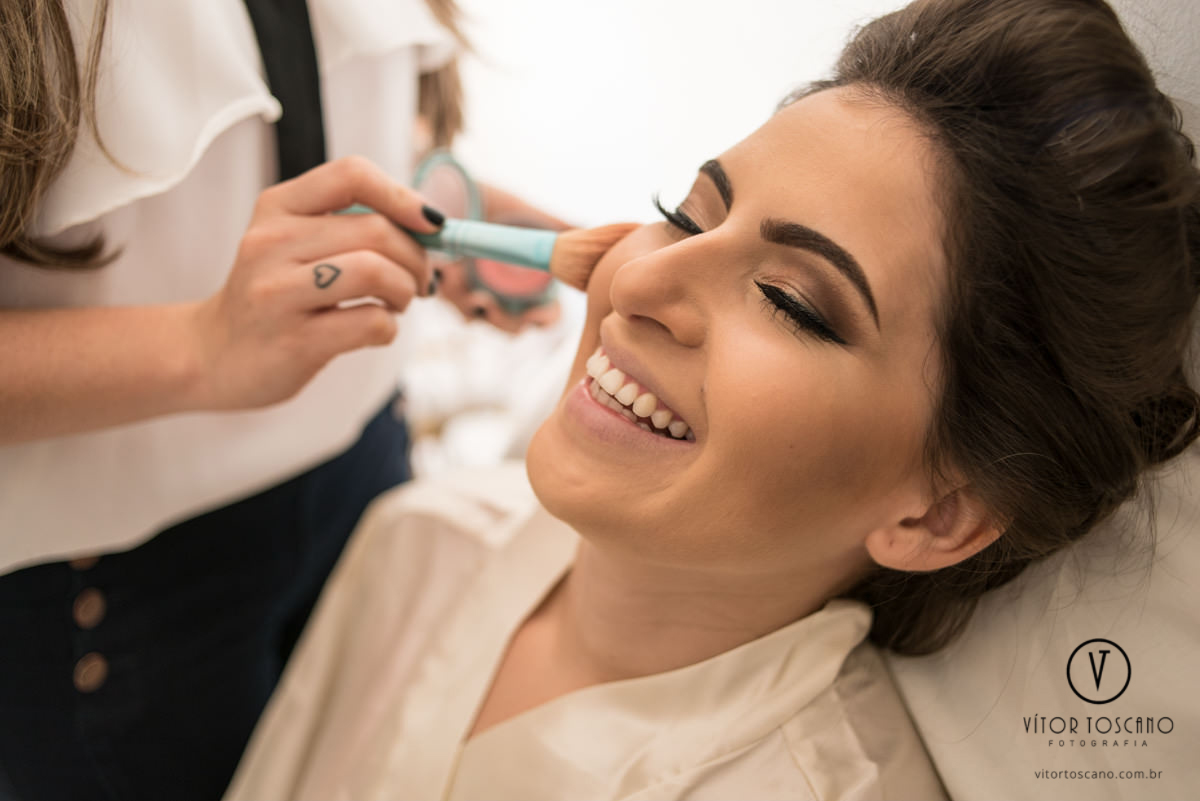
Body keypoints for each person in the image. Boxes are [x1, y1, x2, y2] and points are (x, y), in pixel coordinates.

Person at [224, 0, 1200, 797]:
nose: (638, 278)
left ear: (938, 513)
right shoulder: (417, 543)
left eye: (791, 302)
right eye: (685, 217)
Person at [0, 1, 564, 799]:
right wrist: (202, 343)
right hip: (120, 586)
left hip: (368, 470)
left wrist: (437, 216)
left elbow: (295, 101)